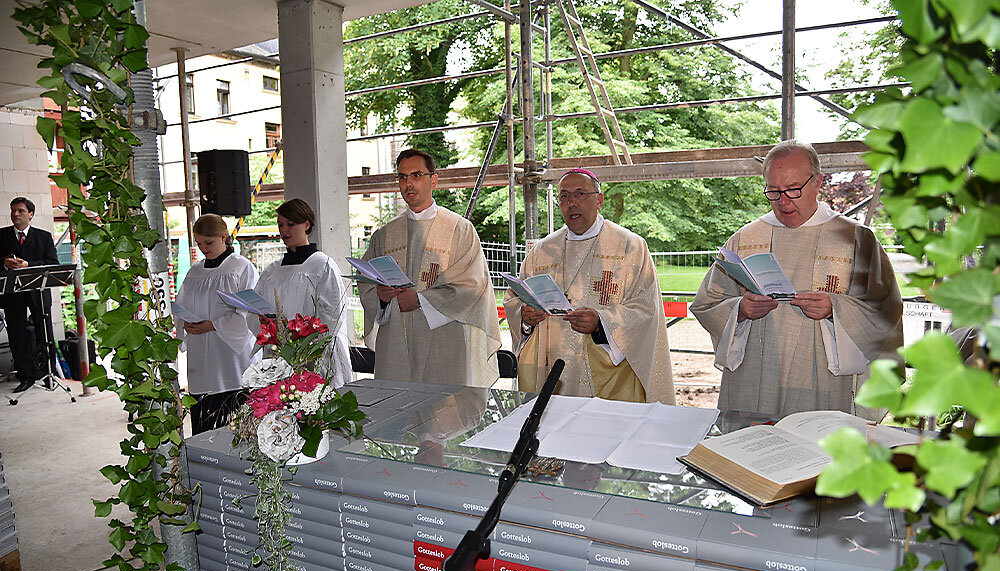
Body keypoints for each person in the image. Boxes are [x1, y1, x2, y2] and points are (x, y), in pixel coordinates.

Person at [691, 140, 903, 420]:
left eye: (793, 189)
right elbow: (707, 303)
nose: (784, 202)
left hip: (823, 383)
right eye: (774, 191)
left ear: (818, 182)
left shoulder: (856, 240)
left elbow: (884, 311)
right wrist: (740, 310)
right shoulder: (745, 239)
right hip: (753, 380)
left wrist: (834, 310)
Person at [504, 169, 676, 403]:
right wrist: (525, 316)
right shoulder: (542, 251)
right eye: (564, 196)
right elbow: (515, 299)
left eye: (580, 194)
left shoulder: (630, 247)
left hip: (612, 376)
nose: (571, 203)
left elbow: (646, 310)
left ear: (599, 200)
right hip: (553, 372)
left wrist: (601, 322)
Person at [358, 149, 501, 388]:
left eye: (416, 175)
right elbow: (366, 281)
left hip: (443, 339)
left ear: (434, 179)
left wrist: (421, 301)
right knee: (397, 415)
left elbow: (472, 285)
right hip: (395, 340)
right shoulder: (384, 234)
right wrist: (381, 297)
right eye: (402, 177)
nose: (408, 184)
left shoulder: (459, 229)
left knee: (442, 416)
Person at [175, 214, 260, 434]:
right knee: (204, 430)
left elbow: (249, 313)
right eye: (199, 243)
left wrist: (212, 325)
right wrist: (184, 322)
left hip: (232, 359)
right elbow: (181, 305)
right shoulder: (194, 271)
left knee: (236, 428)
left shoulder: (242, 268)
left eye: (209, 242)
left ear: (224, 237)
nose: (204, 248)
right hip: (201, 359)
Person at [255, 198, 352, 388]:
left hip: (312, 354)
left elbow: (333, 314)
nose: (284, 230)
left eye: (291, 224)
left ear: (307, 224)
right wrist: (264, 321)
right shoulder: (272, 270)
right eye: (280, 224)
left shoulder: (322, 265)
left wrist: (301, 335)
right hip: (278, 354)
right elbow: (256, 306)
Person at [0, 197, 59, 393]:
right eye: (13, 211)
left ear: (31, 214)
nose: (15, 214)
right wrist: (4, 263)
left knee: (44, 333)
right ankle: (26, 376)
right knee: (17, 335)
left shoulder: (44, 237)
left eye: (20, 211)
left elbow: (53, 263)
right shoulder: (1, 236)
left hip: (38, 293)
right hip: (12, 295)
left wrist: (28, 265)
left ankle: (47, 373)